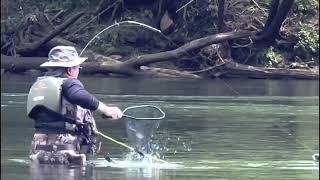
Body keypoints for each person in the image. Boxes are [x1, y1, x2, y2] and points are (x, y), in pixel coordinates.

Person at [27, 46, 123, 165]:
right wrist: (106, 109)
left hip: (38, 149)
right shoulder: (69, 83)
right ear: (69, 70)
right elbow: (79, 96)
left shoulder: (40, 85)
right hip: (64, 149)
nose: (78, 70)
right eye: (77, 67)